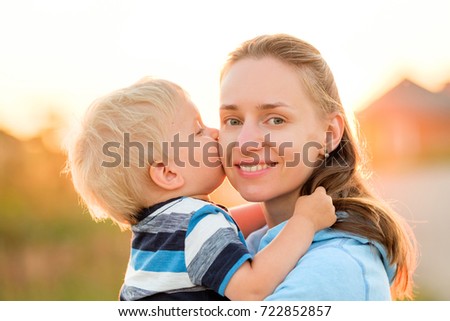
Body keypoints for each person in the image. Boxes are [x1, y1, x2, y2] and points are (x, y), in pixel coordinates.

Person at [64, 77, 336, 301]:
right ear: (168, 173)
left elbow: (232, 222)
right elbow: (251, 289)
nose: (215, 133)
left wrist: (283, 202)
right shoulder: (198, 223)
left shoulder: (157, 230)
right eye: (197, 131)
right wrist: (304, 220)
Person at [218, 34, 418, 300]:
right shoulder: (248, 243)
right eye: (232, 120)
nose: (245, 142)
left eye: (276, 119)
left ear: (329, 134)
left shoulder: (334, 267)